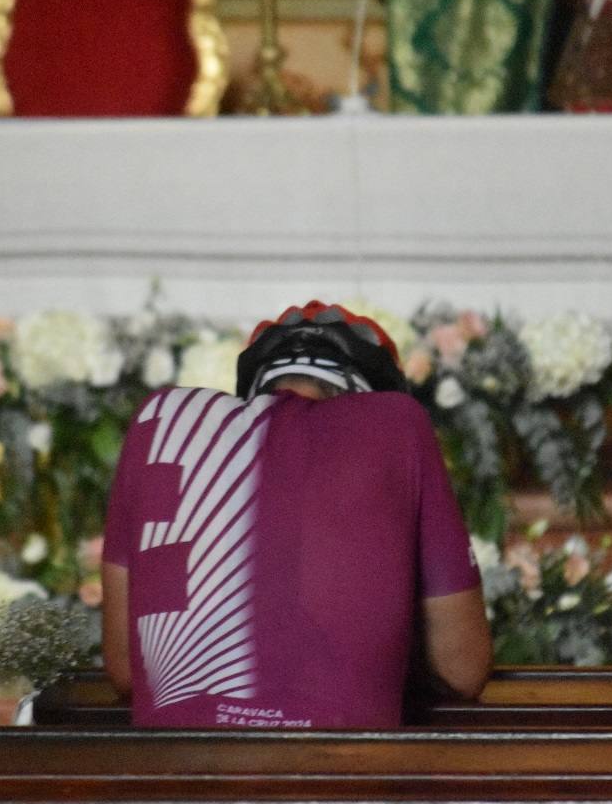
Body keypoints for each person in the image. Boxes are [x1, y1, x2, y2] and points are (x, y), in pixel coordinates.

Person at [101, 300, 491, 729]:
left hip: (177, 768)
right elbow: (462, 671)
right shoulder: (398, 423)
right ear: (369, 394)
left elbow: (126, 674)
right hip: (337, 773)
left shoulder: (158, 419)